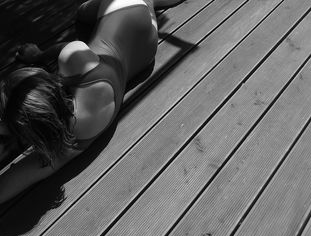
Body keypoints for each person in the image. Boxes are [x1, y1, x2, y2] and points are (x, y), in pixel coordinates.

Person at [0, 0, 185, 203]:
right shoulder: (74, 60)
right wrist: (39, 55)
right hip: (135, 23)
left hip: (143, 51)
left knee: (85, 12)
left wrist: (9, 126)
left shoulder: (67, 145)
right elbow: (67, 47)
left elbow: (12, 182)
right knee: (85, 12)